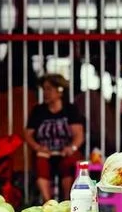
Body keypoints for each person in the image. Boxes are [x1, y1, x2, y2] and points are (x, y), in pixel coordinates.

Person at [24, 73, 84, 202]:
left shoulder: (70, 110)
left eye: (49, 89)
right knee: (41, 163)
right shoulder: (38, 110)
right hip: (46, 153)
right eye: (44, 89)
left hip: (65, 152)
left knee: (68, 163)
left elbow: (79, 135)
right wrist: (38, 147)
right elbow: (28, 135)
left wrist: (71, 148)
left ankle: (67, 201)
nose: (45, 93)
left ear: (59, 91)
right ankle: (48, 202)